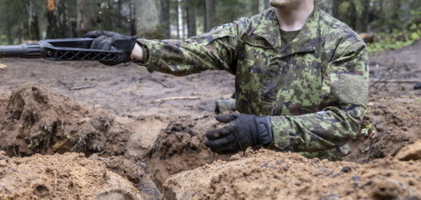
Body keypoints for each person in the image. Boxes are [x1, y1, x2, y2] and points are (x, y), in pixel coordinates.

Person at [84, 0, 368, 160]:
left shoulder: (345, 43)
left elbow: (345, 122)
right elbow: (194, 50)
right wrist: (136, 49)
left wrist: (265, 130)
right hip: (248, 169)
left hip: (316, 176)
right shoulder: (248, 31)